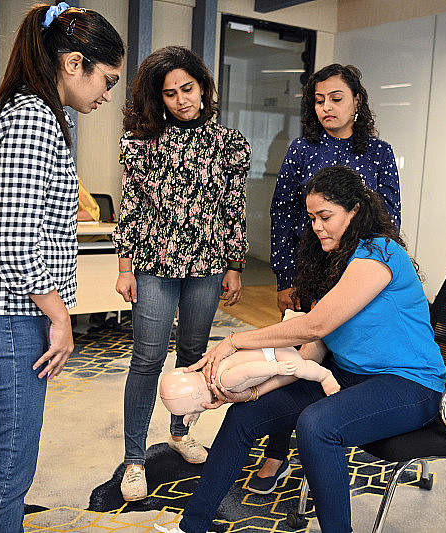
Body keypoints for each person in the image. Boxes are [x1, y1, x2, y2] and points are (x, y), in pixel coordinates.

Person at [157, 165, 445, 533]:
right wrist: (248, 393)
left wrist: (233, 340)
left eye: (326, 217)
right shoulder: (333, 262)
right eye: (312, 218)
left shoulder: (379, 253)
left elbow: (316, 324)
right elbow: (310, 353)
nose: (317, 227)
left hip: (409, 385)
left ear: (355, 211)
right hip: (347, 375)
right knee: (246, 418)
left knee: (317, 424)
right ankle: (192, 525)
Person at [0, 3, 124, 531]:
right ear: (73, 63)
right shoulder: (33, 118)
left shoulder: (25, 110)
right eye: (106, 80)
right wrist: (61, 318)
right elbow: (17, 241)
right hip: (1, 310)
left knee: (9, 452)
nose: (107, 95)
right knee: (10, 464)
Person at [112, 46, 250, 501]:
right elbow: (131, 207)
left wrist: (234, 264)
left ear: (203, 86)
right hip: (153, 265)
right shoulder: (140, 140)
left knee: (193, 354)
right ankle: (134, 458)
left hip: (208, 266)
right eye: (169, 93)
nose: (180, 100)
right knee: (147, 359)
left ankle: (178, 430)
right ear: (159, 98)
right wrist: (125, 266)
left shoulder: (230, 144)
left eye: (187, 89)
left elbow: (233, 208)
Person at [260, 63, 401, 493]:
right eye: (319, 100)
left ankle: (330, 433)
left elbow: (390, 218)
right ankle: (278, 448)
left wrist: (379, 277)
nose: (327, 107)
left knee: (343, 356)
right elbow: (283, 214)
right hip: (309, 271)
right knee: (297, 360)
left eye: (336, 98)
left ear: (357, 101)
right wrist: (286, 277)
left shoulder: (380, 153)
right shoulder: (303, 149)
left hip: (361, 276)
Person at [159, 344, 339, 426]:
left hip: (275, 355)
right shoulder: (211, 369)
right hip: (267, 349)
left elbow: (248, 370)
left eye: (193, 407)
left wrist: (277, 367)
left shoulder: (223, 380)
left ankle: (325, 376)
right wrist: (197, 411)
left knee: (300, 368)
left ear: (196, 395)